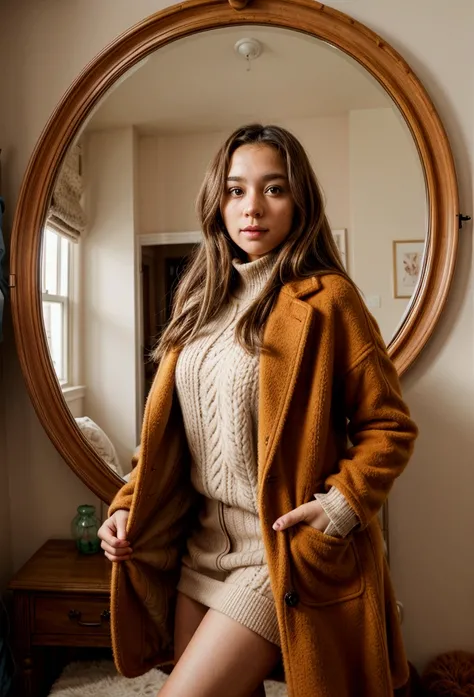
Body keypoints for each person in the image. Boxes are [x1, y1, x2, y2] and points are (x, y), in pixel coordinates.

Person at [98, 124, 418, 697]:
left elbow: (389, 426)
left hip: (275, 558)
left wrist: (339, 508)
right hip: (197, 553)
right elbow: (170, 439)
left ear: (300, 201)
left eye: (274, 189)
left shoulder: (328, 300)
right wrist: (126, 505)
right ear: (217, 200)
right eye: (235, 189)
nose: (253, 207)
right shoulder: (198, 301)